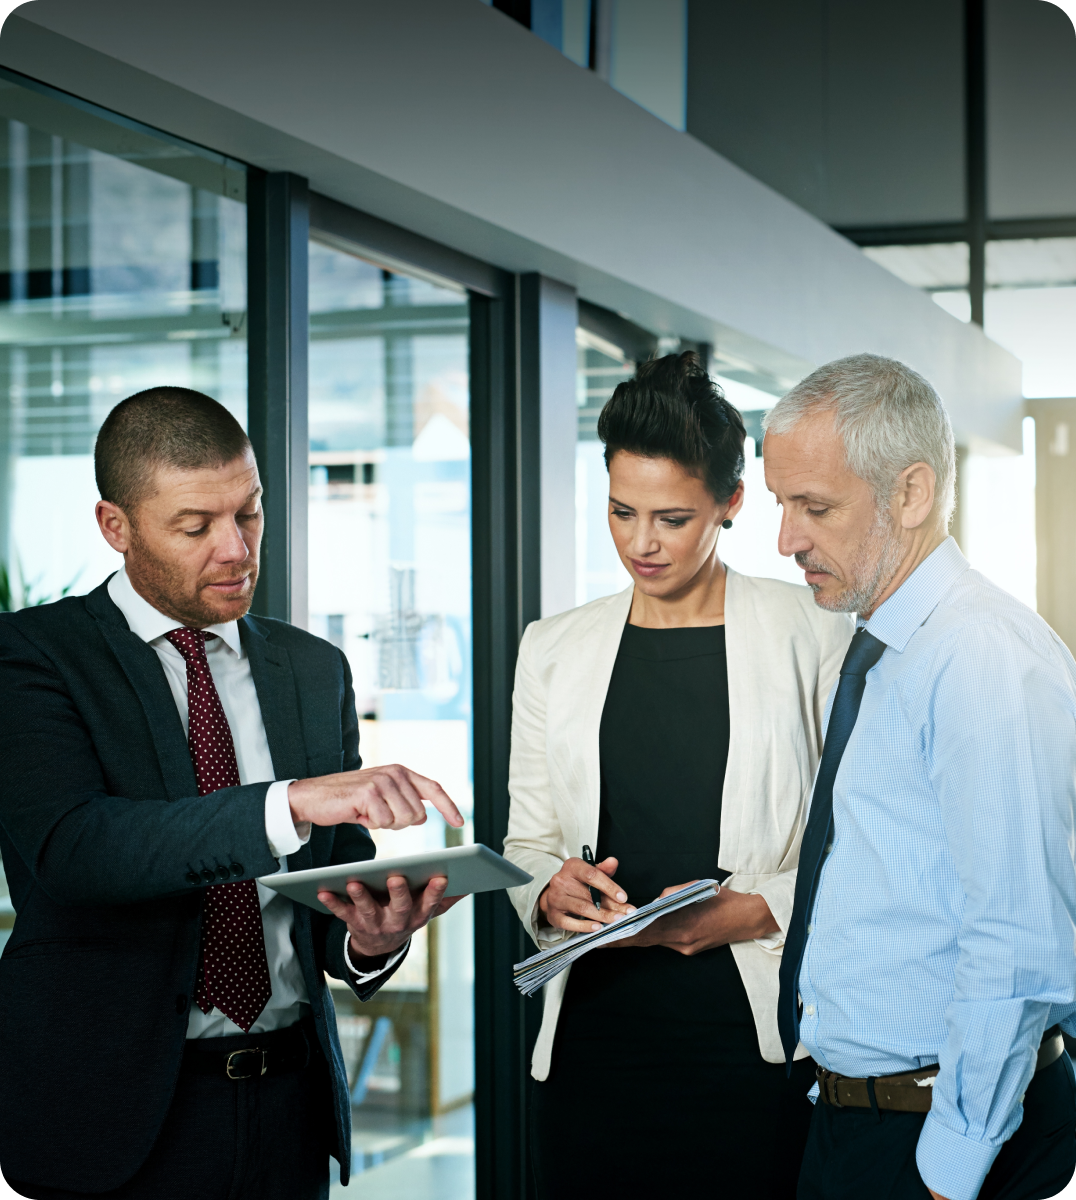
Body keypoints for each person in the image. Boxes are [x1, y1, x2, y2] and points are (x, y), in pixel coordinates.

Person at [0, 388, 464, 1200]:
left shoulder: (314, 671)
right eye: (195, 526)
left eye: (248, 514)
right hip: (110, 1125)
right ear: (117, 527)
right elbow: (75, 851)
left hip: (287, 1112)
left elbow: (329, 892)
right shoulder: (35, 658)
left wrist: (370, 938)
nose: (235, 549)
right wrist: (285, 804)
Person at [503, 352, 854, 1197]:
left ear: (731, 505)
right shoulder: (552, 648)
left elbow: (863, 845)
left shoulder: (815, 633)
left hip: (751, 1042)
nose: (641, 542)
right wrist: (549, 890)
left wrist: (756, 907)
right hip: (592, 1045)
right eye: (622, 512)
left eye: (672, 517)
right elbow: (528, 839)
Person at [765, 354, 1076, 1200]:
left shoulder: (980, 659)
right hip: (856, 1121)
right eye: (781, 504)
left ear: (910, 494)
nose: (785, 538)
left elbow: (1017, 944)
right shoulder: (885, 649)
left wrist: (951, 1168)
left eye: (814, 507)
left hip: (944, 1144)